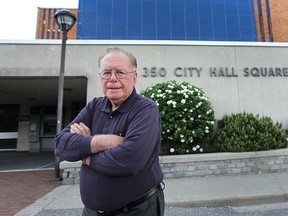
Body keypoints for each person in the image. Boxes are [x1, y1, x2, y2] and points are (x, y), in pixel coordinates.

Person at [54, 47, 165, 216]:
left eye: (120, 72)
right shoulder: (94, 106)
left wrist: (85, 152)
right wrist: (101, 142)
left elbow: (128, 161)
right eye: (106, 72)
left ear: (134, 78)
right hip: (91, 212)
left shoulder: (145, 110)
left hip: (136, 210)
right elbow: (61, 144)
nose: (112, 79)